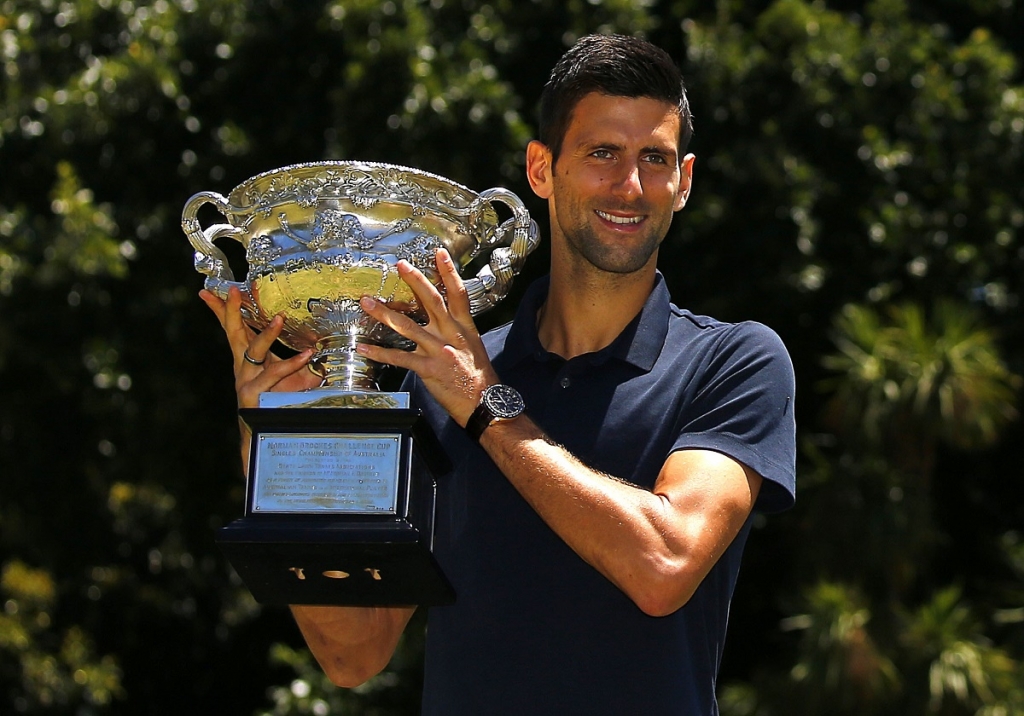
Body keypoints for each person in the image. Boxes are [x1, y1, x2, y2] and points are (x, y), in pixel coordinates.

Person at [202, 33, 796, 715]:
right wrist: (278, 447)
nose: (630, 186)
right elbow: (352, 652)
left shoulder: (736, 361)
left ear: (683, 182)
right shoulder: (436, 376)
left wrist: (486, 408)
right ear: (541, 171)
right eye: (602, 153)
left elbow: (664, 565)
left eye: (653, 159)